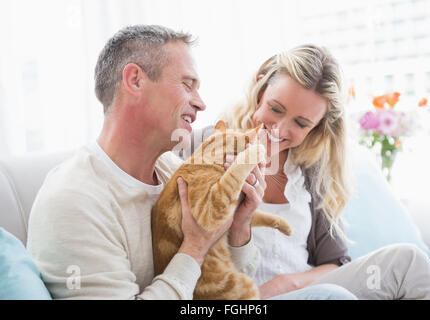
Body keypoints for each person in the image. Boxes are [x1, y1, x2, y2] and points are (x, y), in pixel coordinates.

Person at [26, 25, 354, 300]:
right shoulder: (75, 199)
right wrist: (196, 245)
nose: (201, 103)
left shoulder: (173, 170)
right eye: (188, 85)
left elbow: (221, 286)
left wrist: (239, 227)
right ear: (135, 80)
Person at [202, 44, 430, 300]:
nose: (279, 130)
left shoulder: (309, 169)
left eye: (300, 123)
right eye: (275, 109)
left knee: (409, 262)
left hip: (305, 293)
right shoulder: (213, 145)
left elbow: (335, 263)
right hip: (242, 298)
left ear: (316, 126)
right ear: (260, 88)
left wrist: (286, 283)